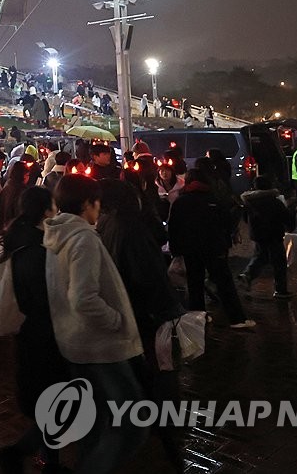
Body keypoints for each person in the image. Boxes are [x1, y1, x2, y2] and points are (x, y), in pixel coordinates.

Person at [43, 175, 148, 473]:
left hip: (72, 340)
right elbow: (83, 297)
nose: (100, 208)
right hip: (99, 345)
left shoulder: (54, 234)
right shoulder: (82, 238)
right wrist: (117, 320)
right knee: (132, 421)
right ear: (87, 203)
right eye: (96, 202)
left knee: (95, 418)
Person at [97, 180, 185, 468]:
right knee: (161, 368)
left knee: (144, 366)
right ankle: (166, 425)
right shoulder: (131, 228)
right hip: (147, 312)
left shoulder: (109, 224)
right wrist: (167, 309)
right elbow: (148, 275)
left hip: (130, 309)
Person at [0, 186, 67, 474]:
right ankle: (21, 452)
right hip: (44, 332)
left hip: (28, 332)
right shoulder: (39, 248)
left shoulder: (16, 236)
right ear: (46, 211)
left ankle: (49, 460)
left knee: (53, 399)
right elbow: (44, 294)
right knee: (59, 398)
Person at [168, 169, 254, 329]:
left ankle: (198, 316)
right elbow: (227, 222)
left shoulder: (181, 201)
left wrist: (176, 250)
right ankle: (236, 319)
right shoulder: (213, 199)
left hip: (190, 248)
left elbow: (173, 227)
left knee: (195, 283)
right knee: (224, 282)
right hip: (214, 247)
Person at [238, 176, 293, 298]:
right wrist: (290, 226)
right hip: (274, 234)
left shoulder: (250, 201)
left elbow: (245, 218)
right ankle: (280, 290)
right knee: (279, 262)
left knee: (261, 256)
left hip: (258, 235)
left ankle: (248, 274)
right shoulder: (275, 201)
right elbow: (286, 217)